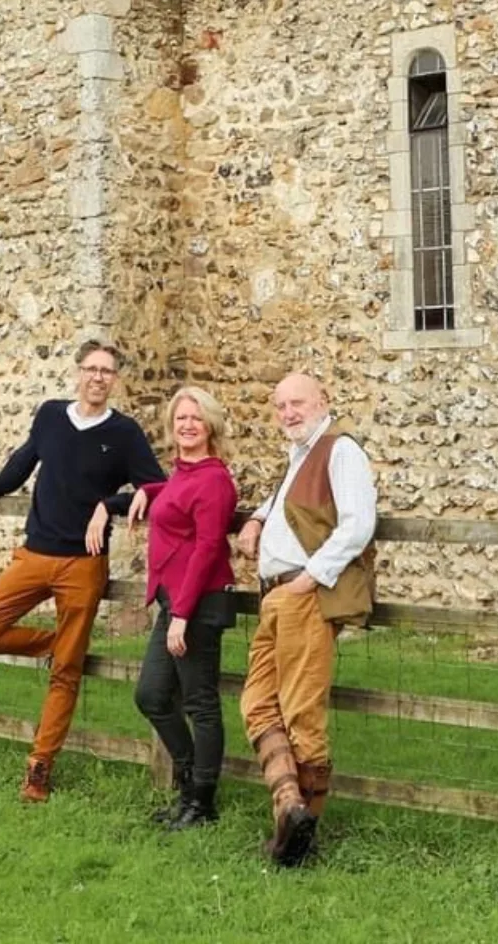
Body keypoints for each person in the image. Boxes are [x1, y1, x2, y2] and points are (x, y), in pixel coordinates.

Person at [0, 338, 165, 803]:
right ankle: (56, 645)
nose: (98, 377)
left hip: (82, 565)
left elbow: (157, 488)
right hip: (34, 554)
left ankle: (40, 766)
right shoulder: (51, 414)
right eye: (92, 368)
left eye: (107, 371)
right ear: (77, 372)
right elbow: (27, 456)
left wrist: (107, 506)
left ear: (115, 380)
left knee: (65, 675)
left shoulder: (126, 433)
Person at [236, 371, 377, 867]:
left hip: (301, 595)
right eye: (280, 407)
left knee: (300, 712)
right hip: (276, 597)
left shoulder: (340, 451)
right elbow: (284, 504)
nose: (288, 414)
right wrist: (255, 518)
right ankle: (289, 808)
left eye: (297, 403)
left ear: (323, 402)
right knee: (256, 702)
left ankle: (301, 837)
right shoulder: (300, 456)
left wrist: (311, 577)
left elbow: (359, 522)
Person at [127, 385, 239, 829]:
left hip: (198, 604)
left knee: (200, 703)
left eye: (195, 418)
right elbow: (177, 490)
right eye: (180, 419)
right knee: (151, 695)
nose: (187, 425)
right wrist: (148, 489)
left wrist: (182, 616)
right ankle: (191, 785)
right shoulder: (183, 474)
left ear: (209, 424)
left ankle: (202, 804)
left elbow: (208, 548)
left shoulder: (214, 479)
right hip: (176, 601)